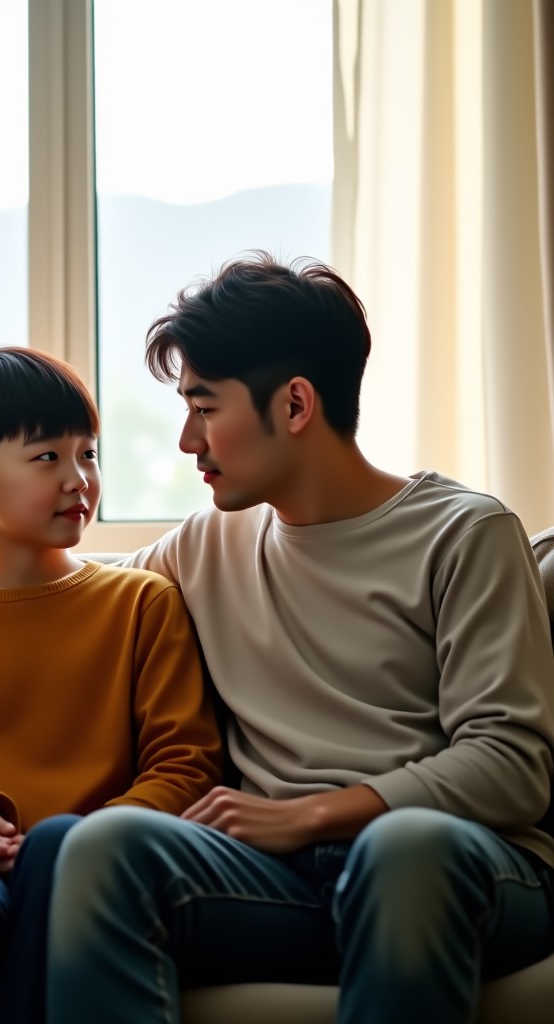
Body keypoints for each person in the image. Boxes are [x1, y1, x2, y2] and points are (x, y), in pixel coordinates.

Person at [46, 253, 554, 1024]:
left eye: (206, 407)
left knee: (405, 851)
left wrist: (313, 813)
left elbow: (512, 764)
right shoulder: (204, 545)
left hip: (459, 869)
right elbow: (67, 604)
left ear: (294, 405)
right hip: (278, 883)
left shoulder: (465, 534)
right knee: (105, 848)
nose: (187, 441)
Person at [0, 346, 222, 1023]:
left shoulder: (143, 603)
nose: (78, 480)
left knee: (58, 847)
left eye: (87, 454)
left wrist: (85, 838)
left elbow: (187, 763)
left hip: (100, 861)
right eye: (46, 459)